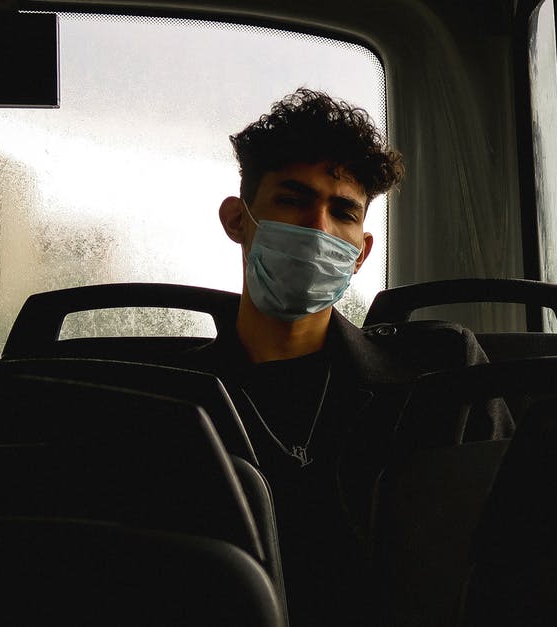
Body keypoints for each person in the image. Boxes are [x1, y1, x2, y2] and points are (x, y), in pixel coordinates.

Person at [181, 88, 510, 625]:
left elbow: (509, 548)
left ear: (360, 252)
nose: (318, 228)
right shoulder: (171, 397)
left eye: (343, 211)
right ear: (237, 220)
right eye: (292, 199)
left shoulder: (441, 373)